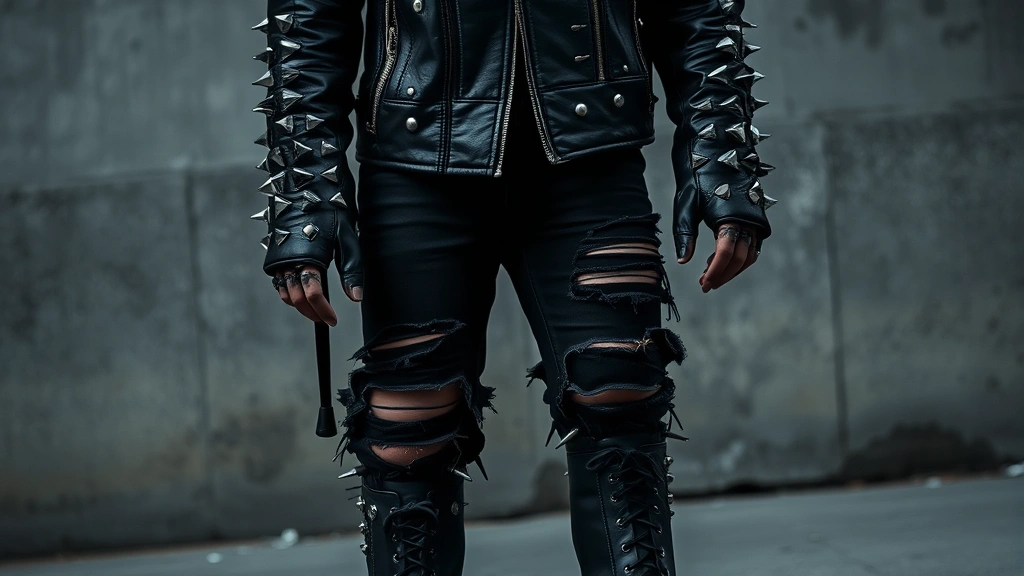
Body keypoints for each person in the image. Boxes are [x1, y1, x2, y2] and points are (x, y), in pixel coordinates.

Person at [250, 1, 774, 574]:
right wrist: (305, 191)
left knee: (619, 399)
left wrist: (721, 154)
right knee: (408, 437)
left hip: (590, 153)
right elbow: (308, 14)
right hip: (416, 159)